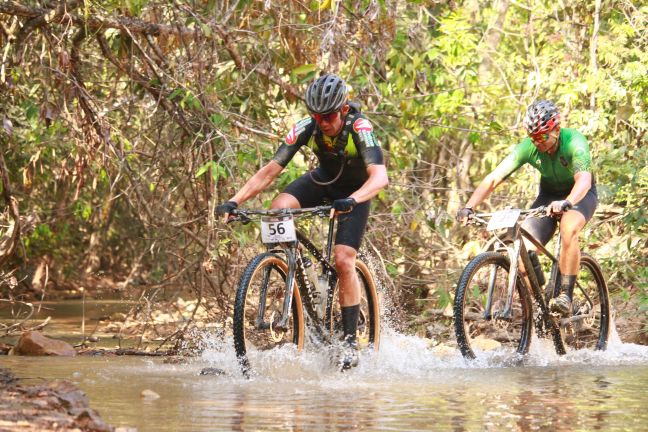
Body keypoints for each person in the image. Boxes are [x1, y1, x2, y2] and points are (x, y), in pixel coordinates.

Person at [217, 73, 389, 369]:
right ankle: (299, 267)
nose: (323, 122)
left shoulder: (359, 127)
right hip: (323, 180)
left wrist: (353, 199)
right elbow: (269, 171)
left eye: (329, 116)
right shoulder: (306, 128)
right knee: (277, 209)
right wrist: (235, 201)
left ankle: (349, 343)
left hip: (355, 192)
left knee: (343, 259)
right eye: (317, 116)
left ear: (344, 110)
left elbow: (380, 177)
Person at [456, 99, 597, 316]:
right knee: (524, 253)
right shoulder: (529, 147)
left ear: (557, 130)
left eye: (542, 137)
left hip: (579, 194)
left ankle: (566, 296)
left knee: (569, 228)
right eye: (533, 138)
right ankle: (542, 306)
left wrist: (567, 202)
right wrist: (469, 206)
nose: (537, 143)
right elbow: (494, 178)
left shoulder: (574, 141)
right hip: (548, 196)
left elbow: (584, 180)